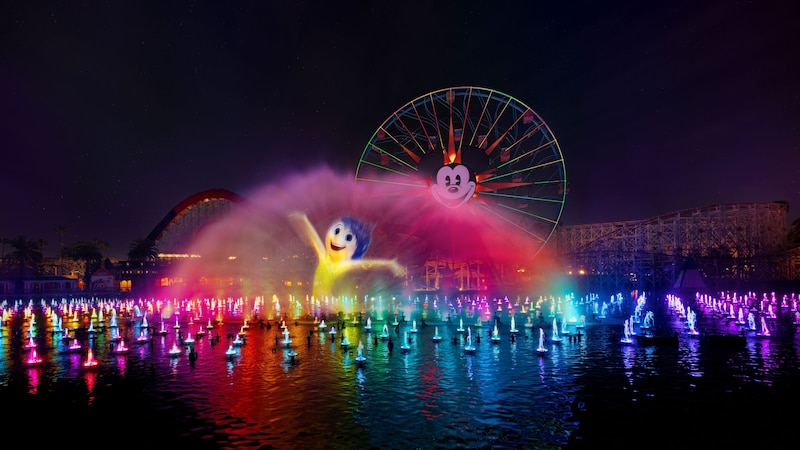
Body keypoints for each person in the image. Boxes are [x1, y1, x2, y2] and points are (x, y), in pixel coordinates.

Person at [288, 212, 406, 299]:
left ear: (356, 250)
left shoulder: (341, 265)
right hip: (320, 304)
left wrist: (389, 263)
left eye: (348, 238)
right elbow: (314, 238)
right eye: (337, 231)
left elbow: (367, 263)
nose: (337, 238)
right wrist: (304, 219)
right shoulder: (324, 257)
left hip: (326, 304)